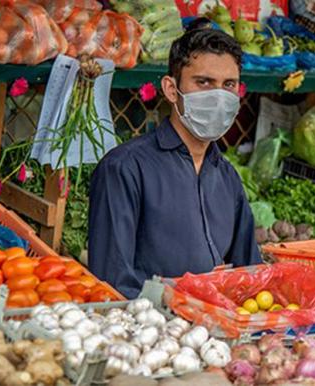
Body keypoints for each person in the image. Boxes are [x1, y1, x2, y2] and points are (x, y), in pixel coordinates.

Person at [88, 19, 261, 298]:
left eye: (228, 85)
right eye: (204, 82)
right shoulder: (124, 168)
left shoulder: (227, 177)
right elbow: (112, 282)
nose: (218, 96)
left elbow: (249, 273)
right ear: (171, 89)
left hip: (219, 330)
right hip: (149, 331)